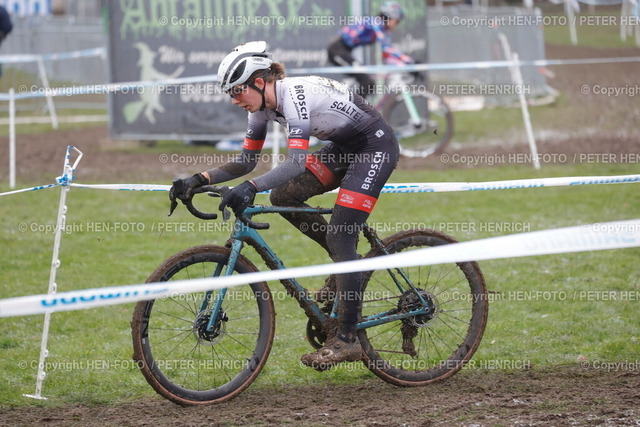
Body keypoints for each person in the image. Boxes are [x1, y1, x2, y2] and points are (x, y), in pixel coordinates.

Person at [170, 40, 399, 371]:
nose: (234, 100)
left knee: (340, 236)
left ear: (259, 82)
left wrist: (250, 188)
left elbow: (295, 163)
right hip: (343, 147)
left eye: (237, 91)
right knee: (283, 197)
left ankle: (347, 340)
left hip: (374, 147)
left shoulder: (294, 96)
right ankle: (346, 266)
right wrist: (198, 179)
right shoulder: (260, 109)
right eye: (230, 94)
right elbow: (246, 161)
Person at [327, 1, 415, 98]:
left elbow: (387, 56)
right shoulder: (376, 23)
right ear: (389, 17)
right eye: (397, 21)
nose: (397, 24)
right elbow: (386, 49)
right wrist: (409, 62)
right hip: (337, 50)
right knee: (366, 82)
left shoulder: (383, 29)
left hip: (346, 51)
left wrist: (405, 65)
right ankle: (353, 106)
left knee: (370, 85)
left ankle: (354, 104)